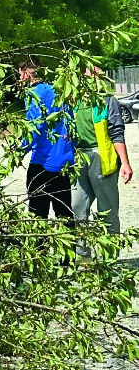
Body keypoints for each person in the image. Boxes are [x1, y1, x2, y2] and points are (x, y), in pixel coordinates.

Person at [72, 67, 133, 253]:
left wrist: (125, 163)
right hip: (78, 159)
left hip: (102, 159)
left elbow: (116, 132)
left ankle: (109, 257)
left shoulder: (108, 100)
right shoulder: (73, 99)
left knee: (107, 210)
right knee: (77, 208)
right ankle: (83, 256)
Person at [19, 59, 74, 222]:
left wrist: (20, 150)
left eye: (20, 74)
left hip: (42, 162)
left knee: (37, 215)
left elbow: (34, 127)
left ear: (26, 73)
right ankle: (69, 239)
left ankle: (39, 240)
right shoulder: (58, 91)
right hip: (63, 161)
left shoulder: (33, 93)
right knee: (64, 213)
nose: (19, 78)